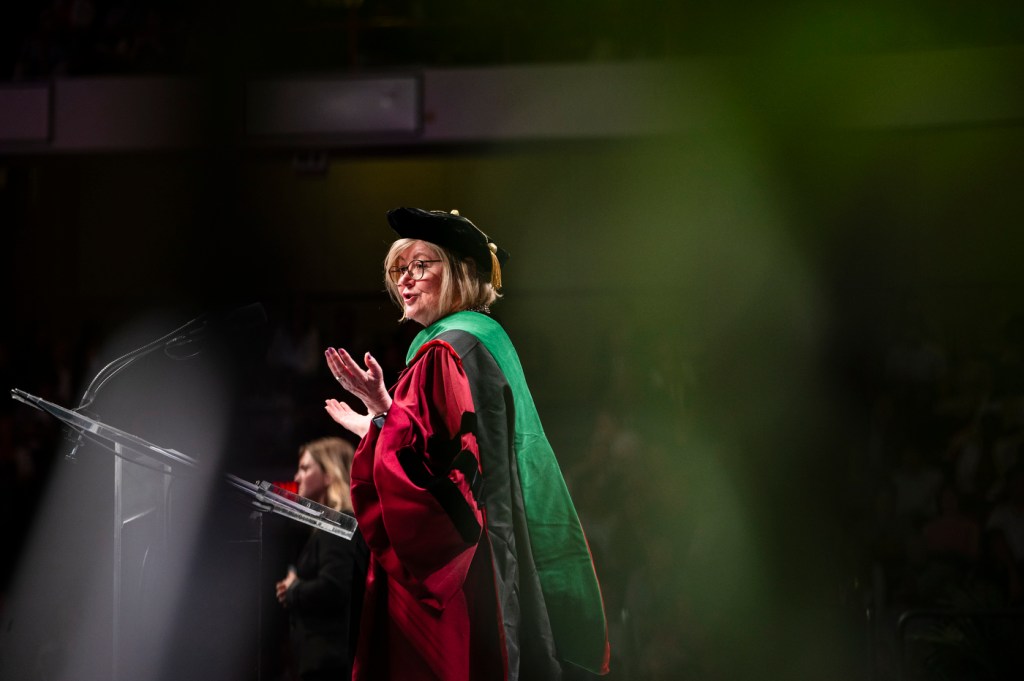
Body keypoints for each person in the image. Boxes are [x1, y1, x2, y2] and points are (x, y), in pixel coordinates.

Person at [322, 208, 609, 681]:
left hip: (464, 565)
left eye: (421, 265)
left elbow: (432, 478)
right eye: (399, 270)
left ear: (458, 273)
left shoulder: (446, 350)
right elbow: (455, 442)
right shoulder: (486, 339)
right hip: (500, 539)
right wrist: (376, 421)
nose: (406, 281)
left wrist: (380, 412)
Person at [276, 436, 369, 681]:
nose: (297, 477)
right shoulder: (332, 524)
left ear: (329, 474)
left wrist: (293, 589)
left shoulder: (337, 525)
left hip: (328, 665)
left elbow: (334, 587)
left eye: (305, 468)